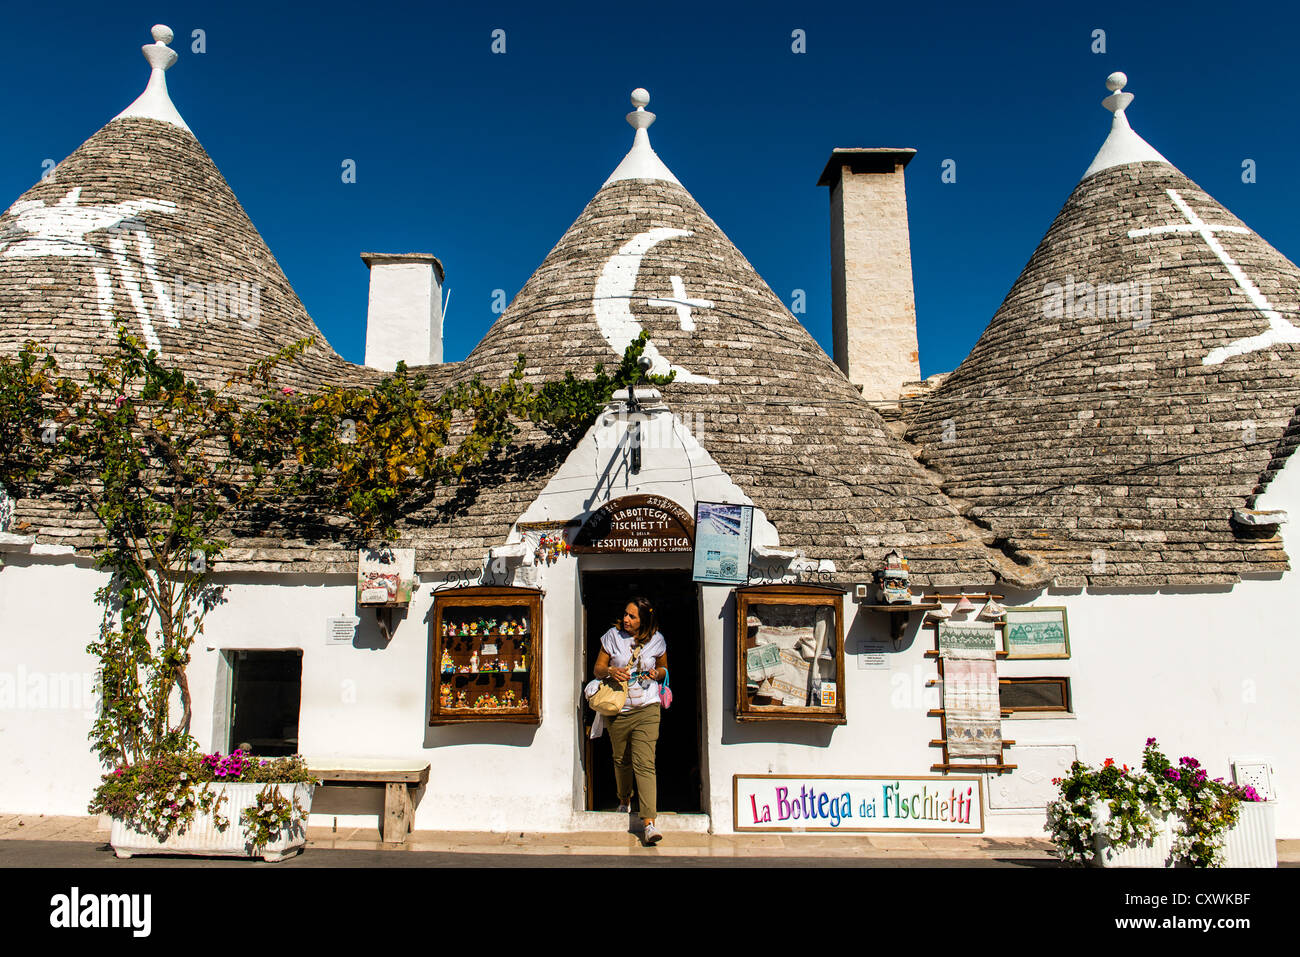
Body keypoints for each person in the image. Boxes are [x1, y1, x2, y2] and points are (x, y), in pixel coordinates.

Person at [592, 597, 668, 845]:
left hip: (647, 707)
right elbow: (598, 669)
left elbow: (664, 669)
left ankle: (648, 823)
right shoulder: (612, 636)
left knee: (644, 763)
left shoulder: (657, 640)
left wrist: (656, 673)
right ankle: (624, 799)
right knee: (621, 760)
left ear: (644, 620)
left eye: (632, 616)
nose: (626, 619)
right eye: (625, 614)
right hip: (619, 709)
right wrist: (612, 671)